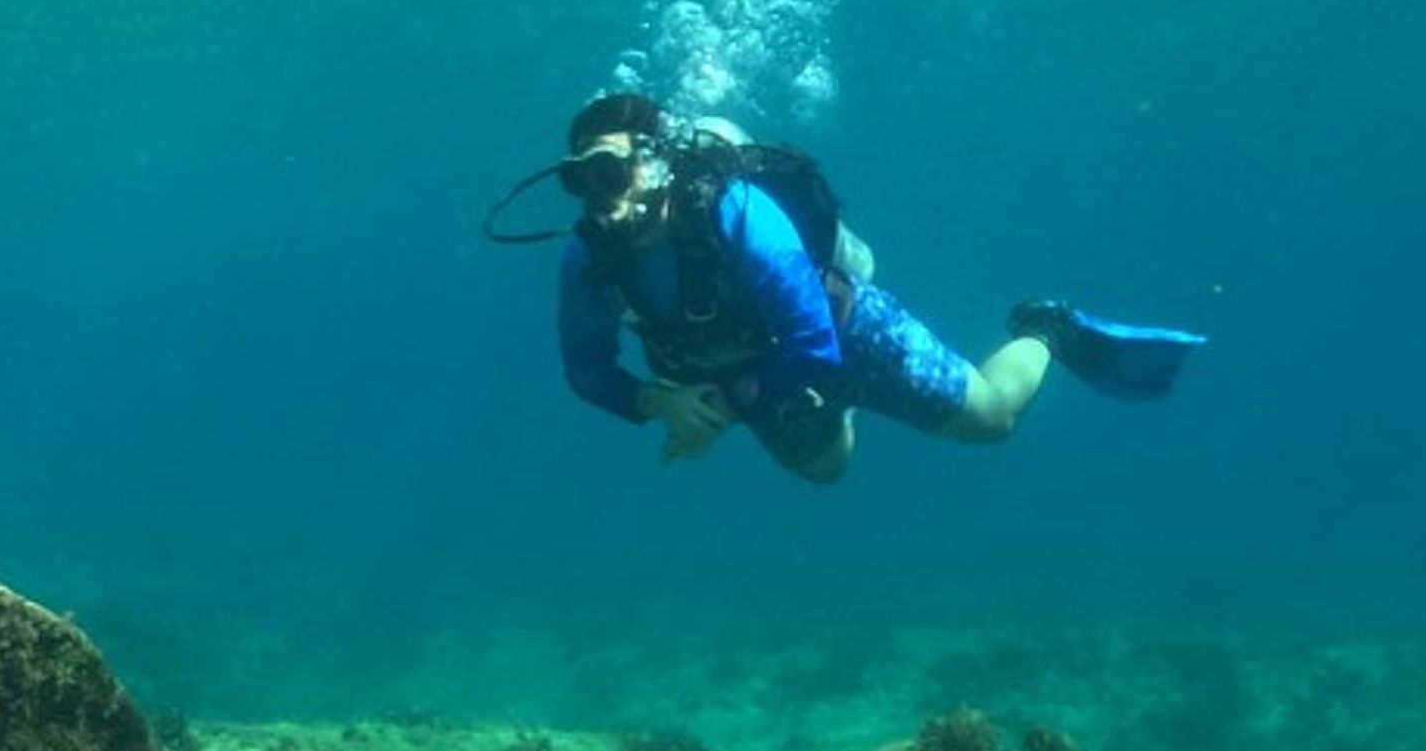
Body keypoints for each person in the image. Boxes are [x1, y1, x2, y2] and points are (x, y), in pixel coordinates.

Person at [496, 90, 1199, 486]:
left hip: (844, 330)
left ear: (652, 165)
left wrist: (722, 407)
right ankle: (839, 413)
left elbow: (813, 340)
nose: (598, 200)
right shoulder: (589, 261)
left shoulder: (735, 212)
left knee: (992, 422)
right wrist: (657, 400)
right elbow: (585, 369)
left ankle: (1045, 330)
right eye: (579, 180)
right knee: (826, 471)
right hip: (748, 375)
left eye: (610, 174)